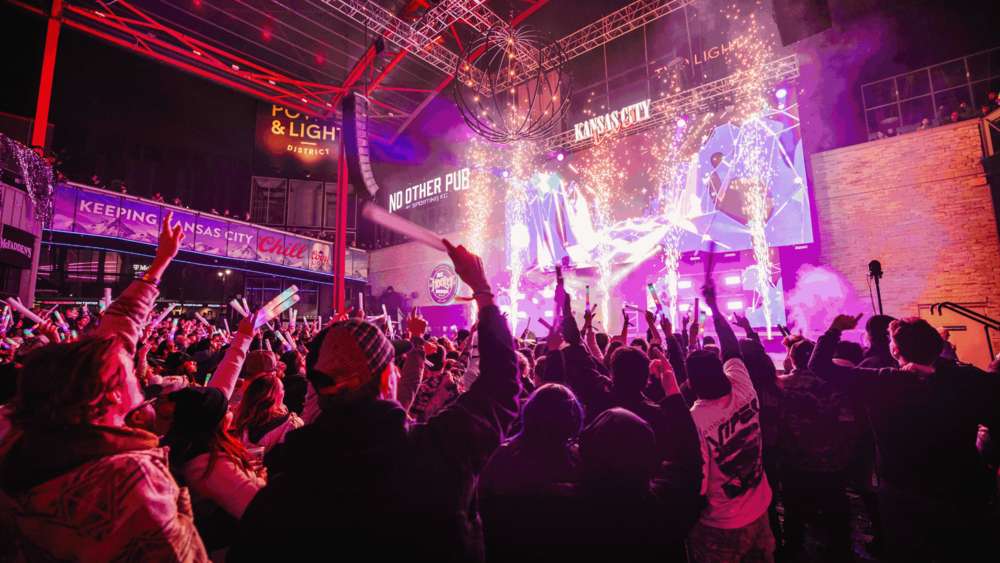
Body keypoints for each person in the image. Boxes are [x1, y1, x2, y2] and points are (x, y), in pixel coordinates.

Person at [230, 240, 520, 561]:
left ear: (320, 390)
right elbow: (503, 385)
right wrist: (482, 290)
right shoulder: (439, 453)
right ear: (387, 379)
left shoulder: (280, 497)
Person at [0, 213, 209, 561]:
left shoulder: (17, 435)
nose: (135, 373)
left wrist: (159, 263)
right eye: (128, 371)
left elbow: (118, 332)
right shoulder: (131, 483)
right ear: (109, 396)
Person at [808, 314, 1000, 562]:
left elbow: (819, 366)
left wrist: (835, 329)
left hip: (903, 491)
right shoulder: (965, 379)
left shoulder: (883, 381)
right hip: (960, 486)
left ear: (895, 350)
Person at [686, 278, 775, 563]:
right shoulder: (742, 386)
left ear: (691, 383)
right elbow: (731, 347)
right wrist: (714, 307)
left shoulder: (696, 420)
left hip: (722, 524)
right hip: (760, 507)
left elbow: (699, 482)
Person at [777, 338, 853, 556]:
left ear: (791, 359)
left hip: (794, 463)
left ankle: (794, 552)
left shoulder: (781, 385)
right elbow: (847, 422)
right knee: (835, 515)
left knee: (794, 514)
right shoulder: (834, 385)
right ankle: (840, 553)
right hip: (831, 462)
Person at [232, 374, 303, 454]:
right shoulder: (290, 425)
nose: (284, 392)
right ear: (276, 396)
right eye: (282, 389)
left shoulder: (242, 422)